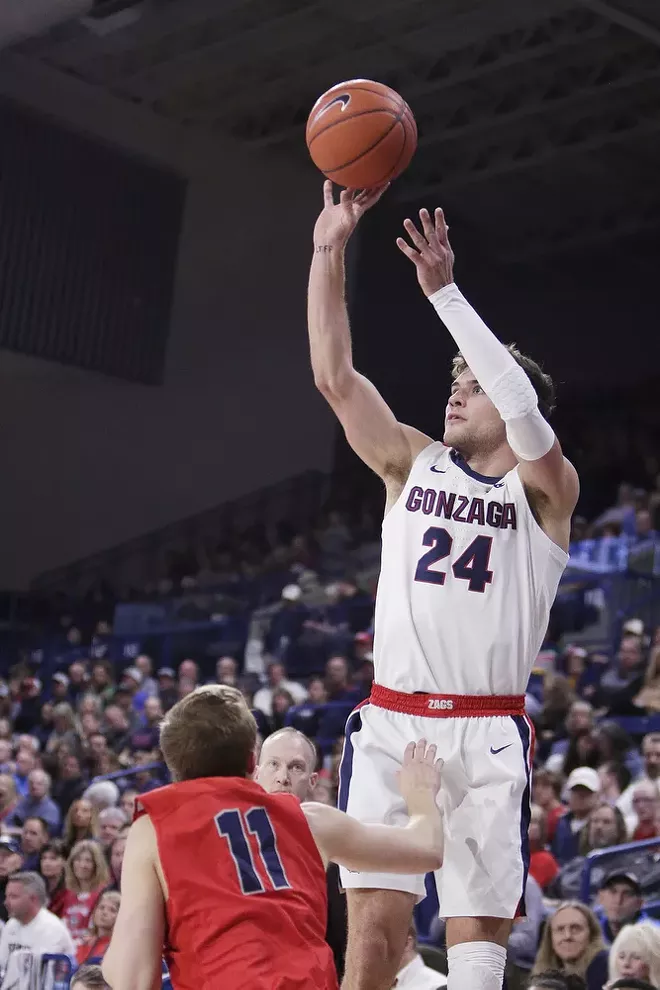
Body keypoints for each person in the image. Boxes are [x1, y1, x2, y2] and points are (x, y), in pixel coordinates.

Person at [307, 183, 578, 990]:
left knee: (478, 973)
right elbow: (334, 377)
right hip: (392, 723)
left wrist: (446, 294)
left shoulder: (544, 495)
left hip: (488, 735)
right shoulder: (410, 460)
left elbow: (527, 412)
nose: (455, 390)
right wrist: (327, 253)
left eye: (474, 384)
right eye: (454, 381)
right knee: (369, 959)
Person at [102, 685, 444, 990]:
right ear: (253, 762)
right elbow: (427, 848)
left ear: (172, 763)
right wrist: (420, 797)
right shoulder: (310, 819)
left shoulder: (153, 827)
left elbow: (131, 979)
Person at [254, 726, 347, 980]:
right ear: (256, 773)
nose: (283, 777)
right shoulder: (227, 847)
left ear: (313, 782)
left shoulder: (334, 855)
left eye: (296, 767)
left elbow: (341, 949)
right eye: (274, 764)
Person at [0, 872, 74, 981]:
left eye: (13, 897)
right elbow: (2, 965)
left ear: (33, 899)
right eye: (7, 896)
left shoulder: (51, 927)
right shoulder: (11, 925)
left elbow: (41, 977)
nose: (6, 902)